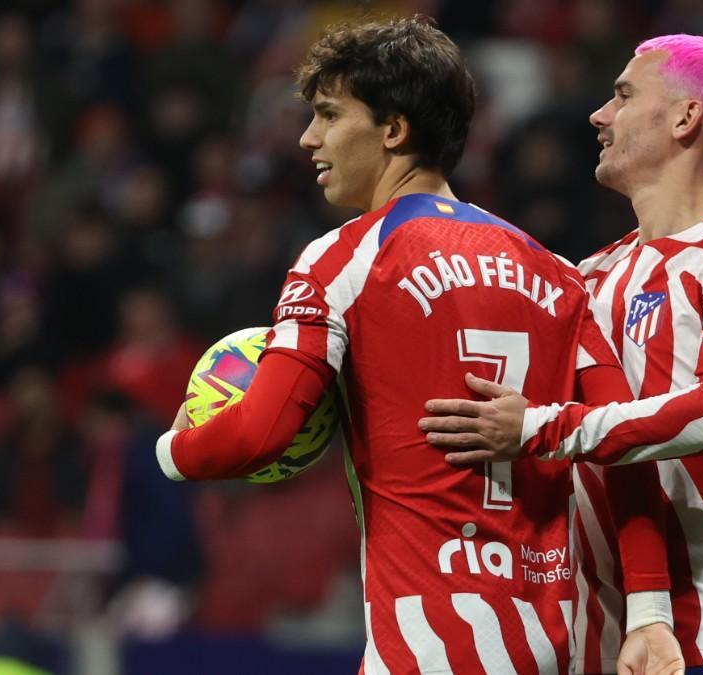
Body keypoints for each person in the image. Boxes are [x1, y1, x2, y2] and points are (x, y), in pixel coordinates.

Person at [154, 17, 674, 674]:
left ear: (394, 130)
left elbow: (261, 432)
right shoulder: (560, 275)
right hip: (550, 639)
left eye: (328, 115)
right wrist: (650, 612)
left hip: (429, 645)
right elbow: (626, 449)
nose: (309, 138)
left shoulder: (340, 261)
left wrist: (172, 449)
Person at [421, 35, 703, 674]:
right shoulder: (590, 275)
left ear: (685, 119)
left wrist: (540, 427)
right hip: (605, 643)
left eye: (623, 96)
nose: (599, 115)